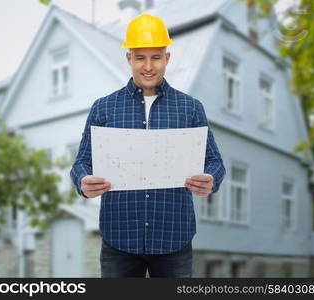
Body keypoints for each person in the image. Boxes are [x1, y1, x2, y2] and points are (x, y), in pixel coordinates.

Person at [70, 13, 225, 278]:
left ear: (167, 58)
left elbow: (215, 163)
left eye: (155, 57)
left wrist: (211, 179)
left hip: (173, 238)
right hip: (119, 237)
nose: (148, 66)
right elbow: (82, 163)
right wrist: (83, 181)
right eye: (140, 57)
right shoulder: (104, 108)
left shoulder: (190, 108)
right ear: (129, 58)